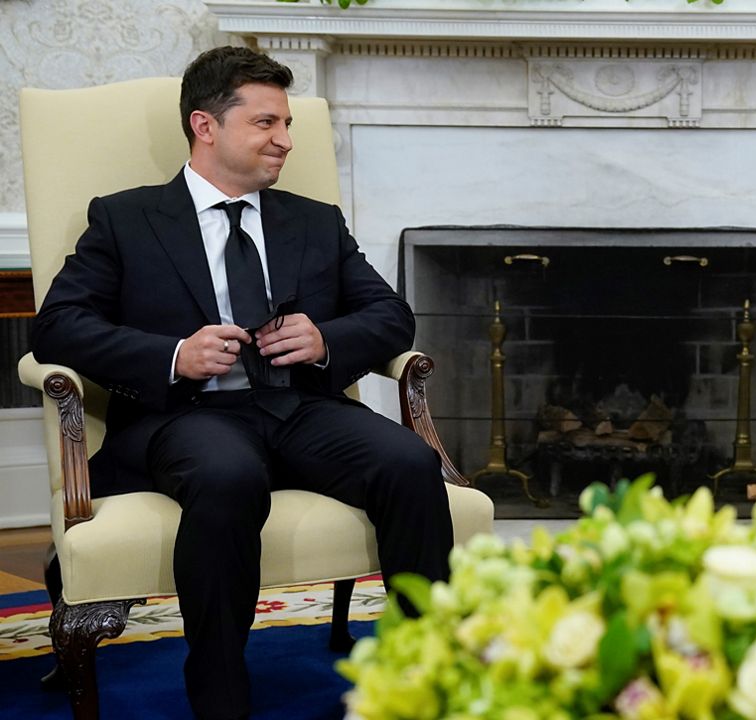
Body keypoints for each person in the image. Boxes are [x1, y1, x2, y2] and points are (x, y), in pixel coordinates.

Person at [32, 46, 453, 720]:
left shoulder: (313, 221)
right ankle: (221, 697)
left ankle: (428, 678)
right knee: (227, 474)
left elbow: (390, 316)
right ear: (206, 125)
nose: (286, 141)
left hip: (298, 407)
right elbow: (56, 327)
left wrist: (325, 340)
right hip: (184, 416)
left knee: (409, 460)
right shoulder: (126, 218)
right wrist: (173, 353)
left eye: (287, 124)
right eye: (266, 124)